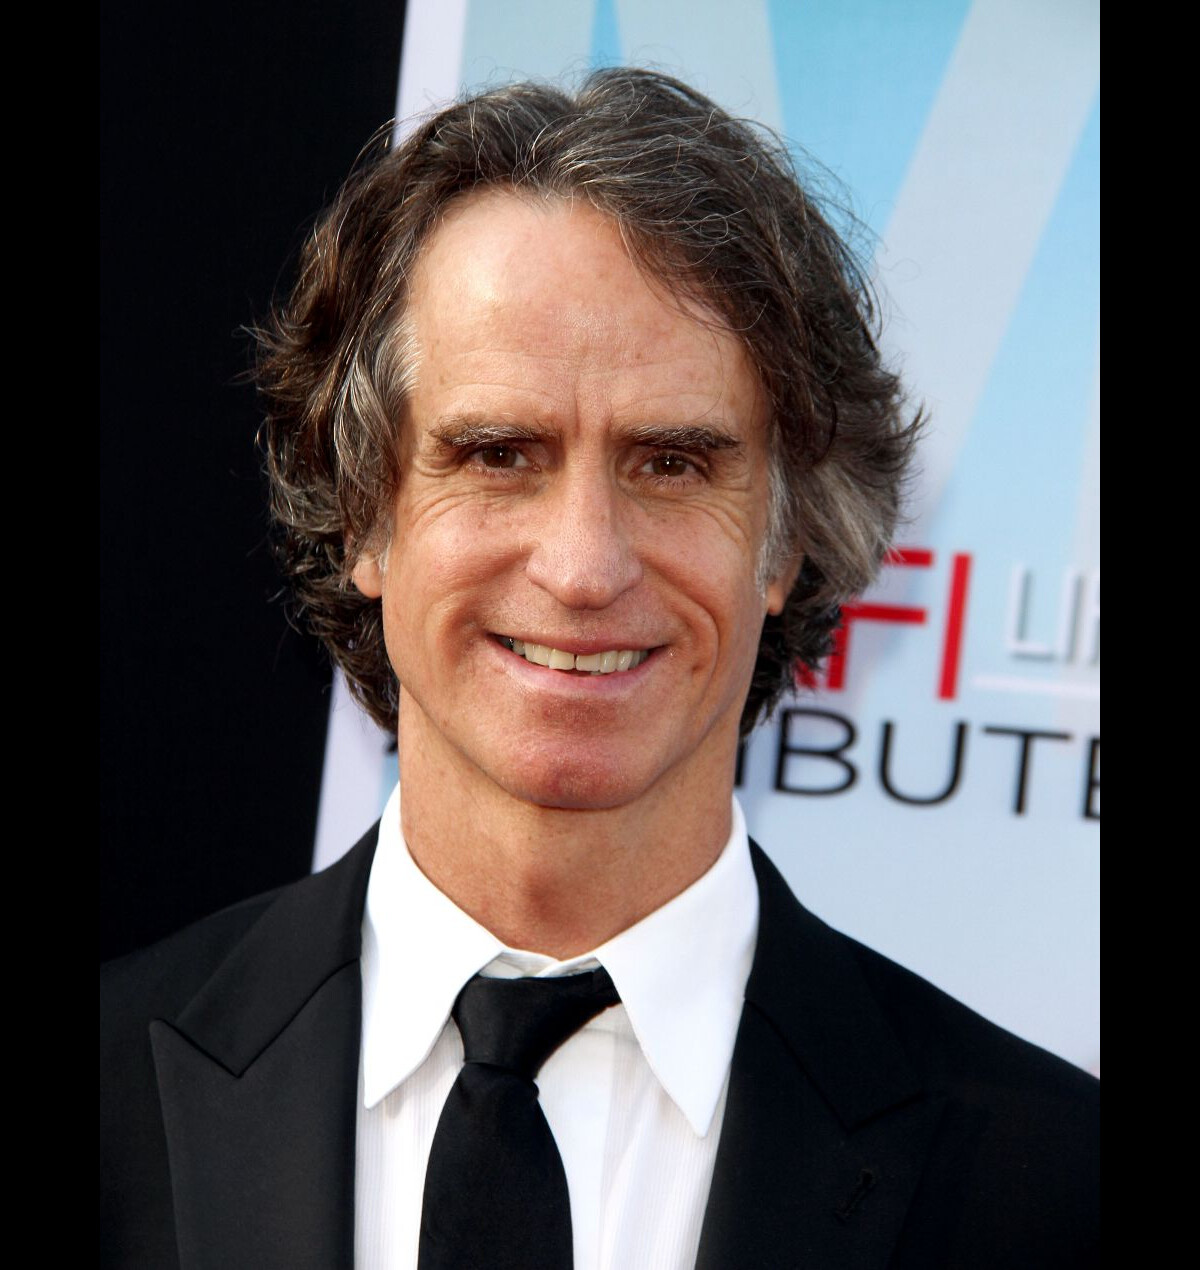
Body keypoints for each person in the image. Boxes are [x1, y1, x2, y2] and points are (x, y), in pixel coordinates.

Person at [101, 69, 1099, 1269]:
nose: (583, 566)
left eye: (672, 464)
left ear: (786, 543)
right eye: (499, 453)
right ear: (363, 511)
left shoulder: (1055, 1188)